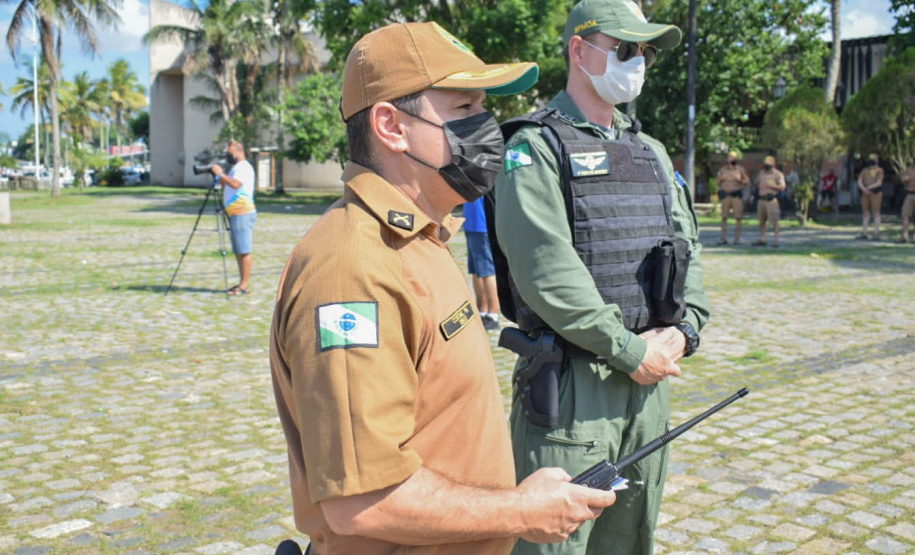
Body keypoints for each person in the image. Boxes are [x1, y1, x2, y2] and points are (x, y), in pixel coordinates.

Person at [269, 22, 617, 555]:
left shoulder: (422, 236)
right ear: (391, 125)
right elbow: (365, 500)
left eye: (484, 107)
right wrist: (522, 509)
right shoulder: (354, 270)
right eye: (463, 109)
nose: (487, 127)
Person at [491, 1, 710, 553]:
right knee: (556, 542)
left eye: (646, 52)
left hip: (649, 388)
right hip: (574, 387)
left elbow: (690, 254)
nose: (638, 61)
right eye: (625, 48)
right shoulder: (534, 148)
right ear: (579, 50)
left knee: (631, 538)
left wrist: (684, 332)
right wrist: (628, 352)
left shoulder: (652, 153)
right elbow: (548, 271)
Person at [211, 140, 256, 295]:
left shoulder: (243, 167)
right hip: (235, 212)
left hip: (242, 211)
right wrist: (221, 177)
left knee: (244, 249)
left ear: (239, 150)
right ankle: (242, 282)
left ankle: (244, 285)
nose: (228, 155)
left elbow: (236, 184)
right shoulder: (235, 168)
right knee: (238, 249)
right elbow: (227, 185)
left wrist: (220, 174)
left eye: (230, 151)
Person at [464, 197, 501, 330]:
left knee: (487, 272)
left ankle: (493, 314)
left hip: (482, 226)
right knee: (475, 271)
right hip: (470, 225)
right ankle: (482, 310)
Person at [716, 150, 750, 244]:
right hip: (726, 196)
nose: (731, 159)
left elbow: (746, 181)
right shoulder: (723, 170)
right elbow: (717, 182)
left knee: (738, 217)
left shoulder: (740, 169)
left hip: (736, 196)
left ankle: (737, 238)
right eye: (730, 157)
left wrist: (739, 180)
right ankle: (723, 238)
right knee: (724, 217)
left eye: (733, 158)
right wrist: (722, 178)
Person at [753, 155, 786, 247]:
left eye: (769, 164)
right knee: (762, 221)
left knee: (774, 221)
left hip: (771, 200)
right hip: (761, 200)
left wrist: (772, 186)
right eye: (766, 164)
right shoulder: (761, 174)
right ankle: (762, 238)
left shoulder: (778, 174)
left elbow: (783, 187)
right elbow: (756, 183)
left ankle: (776, 240)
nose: (767, 166)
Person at [857, 153, 884, 240]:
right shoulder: (865, 170)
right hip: (865, 193)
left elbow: (879, 182)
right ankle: (864, 232)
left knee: (876, 213)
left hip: (875, 193)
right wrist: (863, 189)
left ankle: (876, 233)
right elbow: (859, 181)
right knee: (865, 213)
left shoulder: (880, 170)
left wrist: (869, 188)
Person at [900, 164, 915, 243]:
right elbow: (903, 178)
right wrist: (904, 179)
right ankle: (905, 235)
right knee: (905, 215)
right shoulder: (909, 169)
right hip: (909, 193)